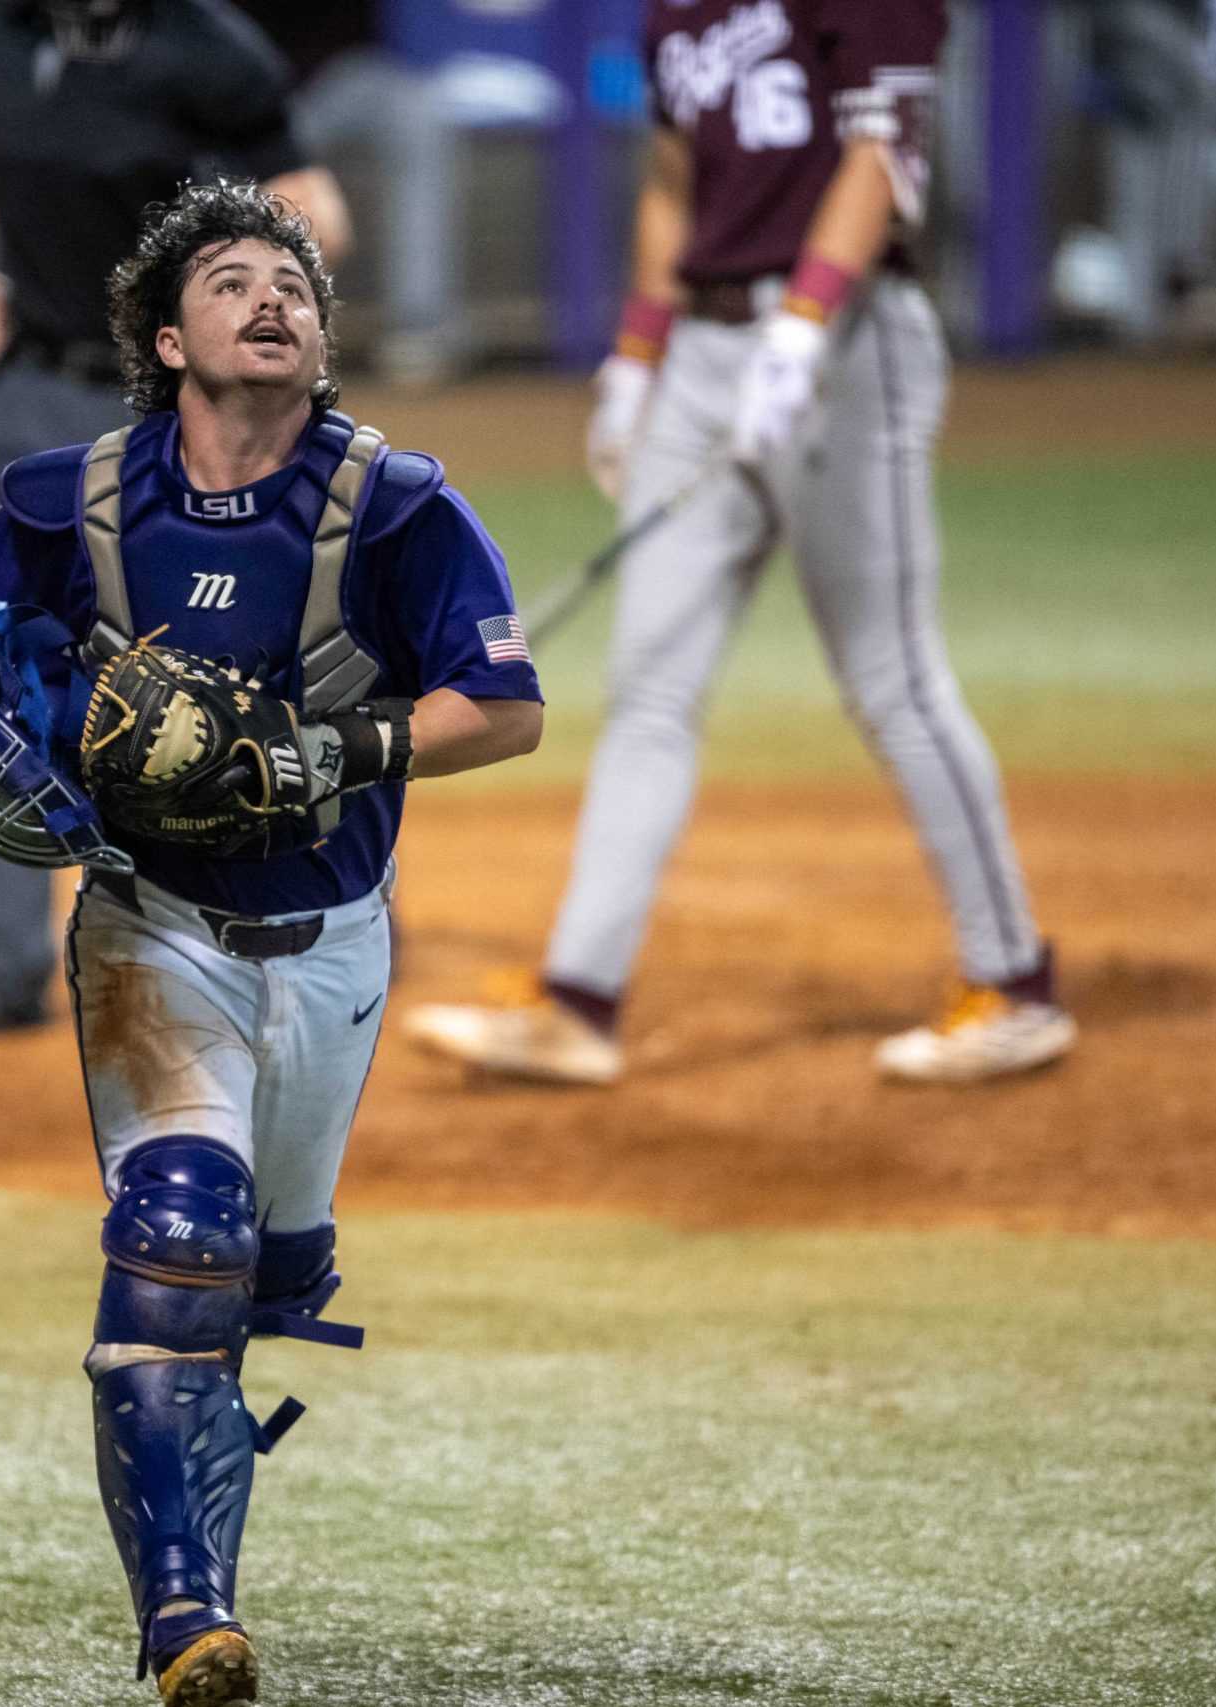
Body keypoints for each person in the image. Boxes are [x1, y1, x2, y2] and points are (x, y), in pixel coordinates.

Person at [0, 180, 540, 1703]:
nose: (272, 300)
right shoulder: (69, 496)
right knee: (178, 1228)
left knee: (269, 1261)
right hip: (151, 931)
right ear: (164, 336)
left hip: (331, 939)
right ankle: (188, 1617)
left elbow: (508, 708)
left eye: (296, 286)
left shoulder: (396, 504)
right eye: (233, 282)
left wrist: (335, 752)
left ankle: (249, 1332)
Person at [405, 0, 1077, 1088]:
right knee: (649, 690)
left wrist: (802, 328)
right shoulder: (676, 10)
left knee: (891, 675)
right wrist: (637, 359)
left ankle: (1015, 985)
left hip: (845, 340)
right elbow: (675, 185)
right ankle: (579, 999)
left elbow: (884, 156)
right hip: (704, 355)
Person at [0, 0, 352, 1037]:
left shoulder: (209, 47)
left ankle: (313, 898)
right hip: (33, 393)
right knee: (13, 663)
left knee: (242, 658)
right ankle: (1, 953)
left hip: (180, 404)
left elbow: (315, 210)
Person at [227, 0, 467, 385]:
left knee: (413, 114)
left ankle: (421, 326)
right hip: (234, 87)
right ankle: (224, 330)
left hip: (340, 78)